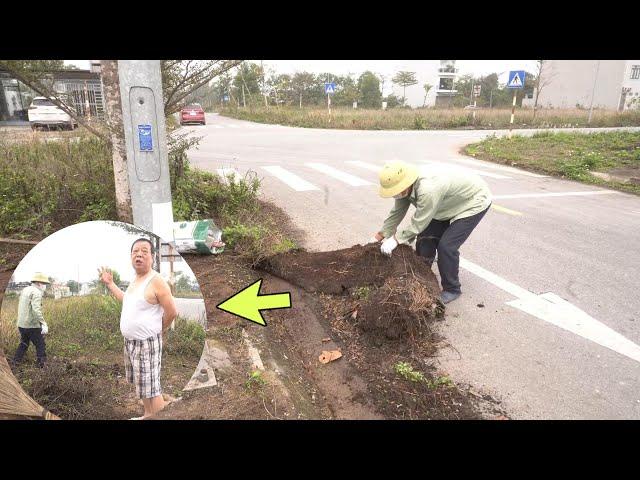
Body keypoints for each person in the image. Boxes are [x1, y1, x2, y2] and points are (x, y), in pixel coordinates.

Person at [373, 161, 492, 304]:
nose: (395, 195)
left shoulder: (428, 189)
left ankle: (452, 289)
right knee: (425, 240)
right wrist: (380, 235)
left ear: (405, 184)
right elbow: (397, 212)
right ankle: (423, 276)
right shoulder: (405, 188)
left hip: (472, 201)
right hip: (444, 204)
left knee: (447, 246)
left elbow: (419, 222)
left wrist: (396, 239)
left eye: (395, 191)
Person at [99, 237, 178, 419]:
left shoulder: (156, 280)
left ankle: (157, 415)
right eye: (135, 251)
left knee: (152, 388)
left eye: (144, 251)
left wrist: (157, 331)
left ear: (152, 257)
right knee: (143, 384)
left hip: (146, 343)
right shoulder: (136, 280)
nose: (139, 255)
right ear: (131, 257)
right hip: (131, 342)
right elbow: (126, 300)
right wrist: (110, 284)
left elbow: (172, 312)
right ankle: (148, 413)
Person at [13, 272, 50, 368]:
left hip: (21, 324)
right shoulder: (36, 292)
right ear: (38, 283)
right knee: (40, 344)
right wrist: (43, 323)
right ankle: (42, 366)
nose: (45, 286)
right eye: (44, 284)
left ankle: (15, 362)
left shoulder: (26, 289)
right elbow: (36, 309)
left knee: (24, 343)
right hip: (31, 325)